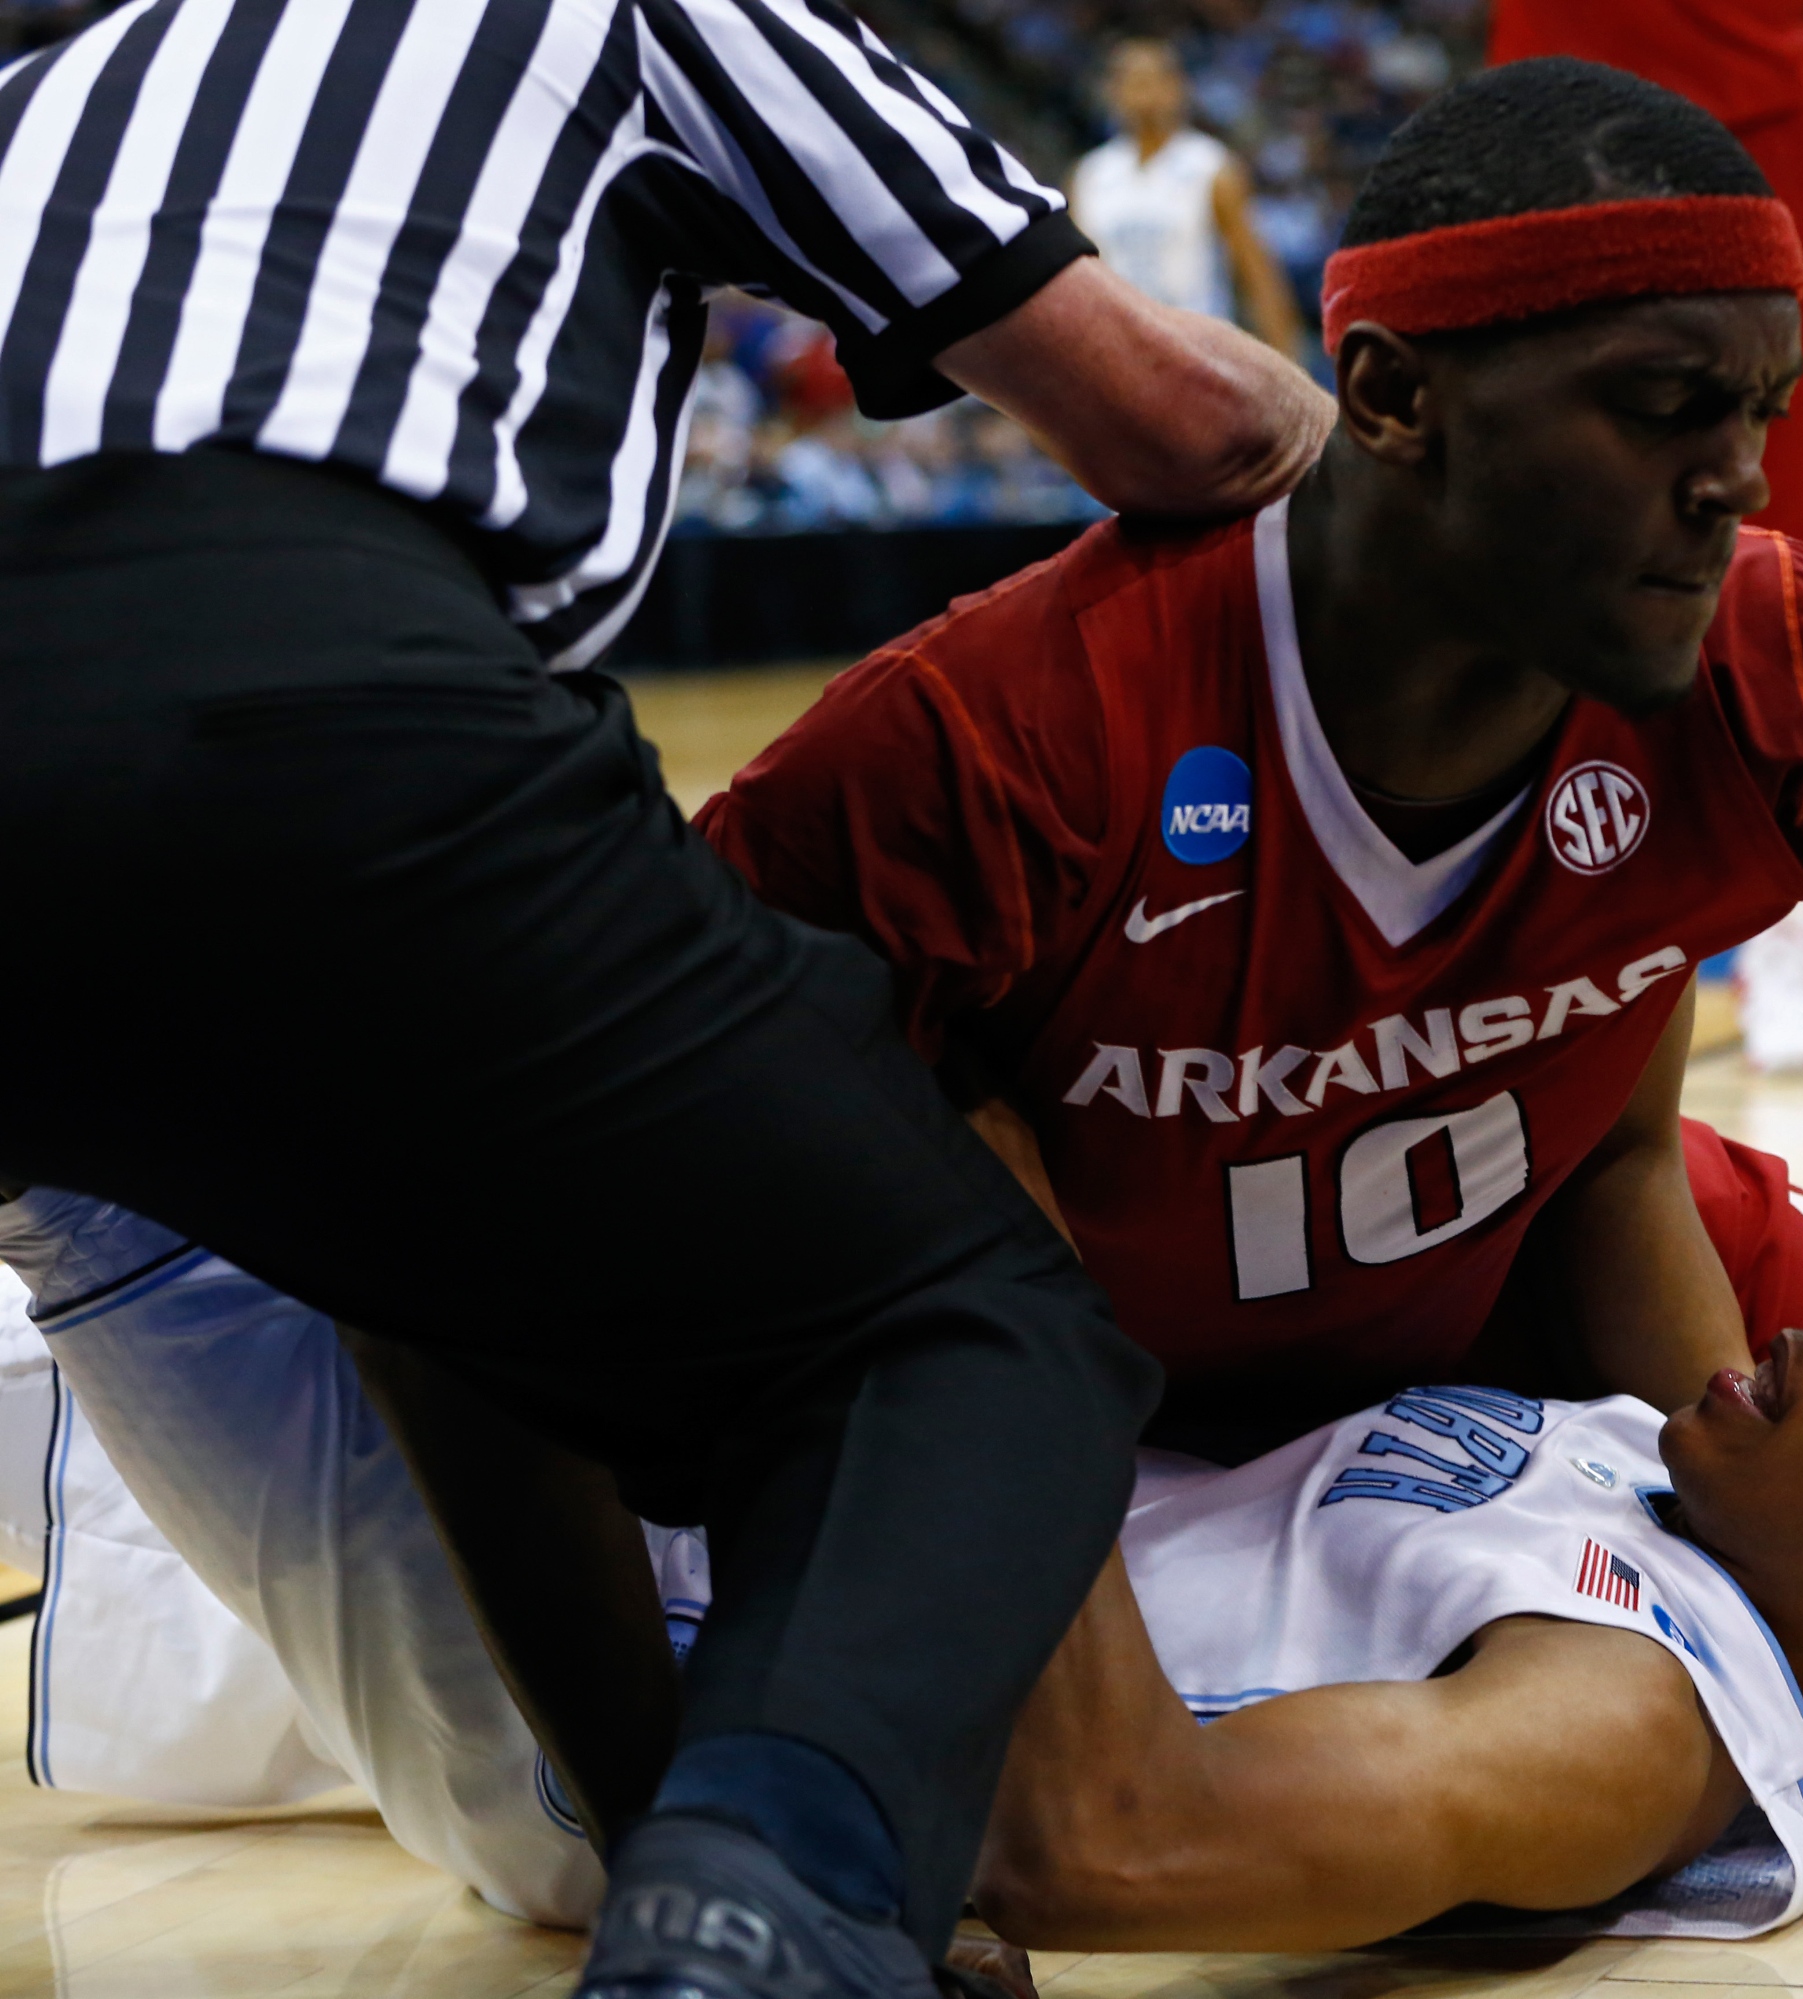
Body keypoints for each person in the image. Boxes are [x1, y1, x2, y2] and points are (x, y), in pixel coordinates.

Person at [687, 60, 1803, 1996]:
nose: (1743, 480)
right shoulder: (1000, 740)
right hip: (1097, 1385)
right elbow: (584, 1216)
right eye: (1667, 407)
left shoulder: (1782, 663)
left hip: (1525, 1256)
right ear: (1390, 399)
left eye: (1761, 413)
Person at [0, 0, 1329, 1990]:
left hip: (113, 1055)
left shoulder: (48, 85)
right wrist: (1395, 472)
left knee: (429, 1252)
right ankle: (752, 1900)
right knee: (960, 1330)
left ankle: (671, 1852)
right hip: (308, 697)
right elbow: (1188, 421)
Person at [0, 1123, 1803, 1980]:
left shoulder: (1623, 1703)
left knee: (168, 1033)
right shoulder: (1673, 1456)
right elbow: (1617, 1100)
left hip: (668, 1705)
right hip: (464, 1590)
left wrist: (995, 1260)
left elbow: (1105, 1840)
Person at [1484, 1, 1803, 1074]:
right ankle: (1495, 930)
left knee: (1784, 549)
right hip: (1535, 143)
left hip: (1761, 151)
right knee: (1518, 528)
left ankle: (1778, 938)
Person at [1067, 39, 1311, 365]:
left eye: (1154, 81)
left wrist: (1288, 363)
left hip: (1198, 356)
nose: (1145, 94)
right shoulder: (1089, 175)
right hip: (1115, 356)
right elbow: (1077, 284)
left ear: (1177, 88)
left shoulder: (1211, 167)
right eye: (1133, 82)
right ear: (1111, 91)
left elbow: (1257, 275)